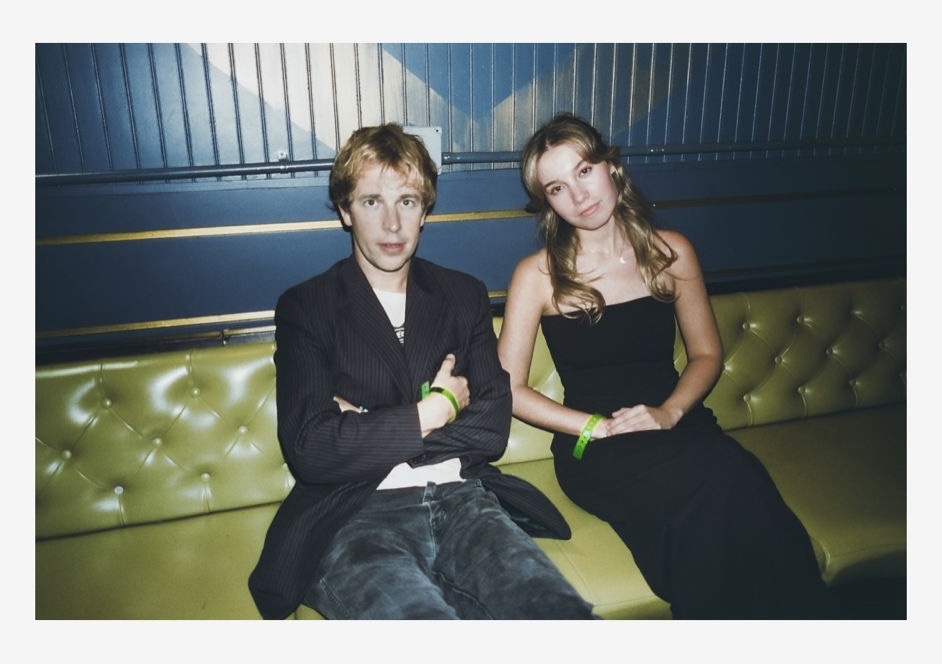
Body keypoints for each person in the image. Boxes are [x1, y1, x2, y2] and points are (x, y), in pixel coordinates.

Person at [497, 112, 839, 619]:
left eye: (584, 171)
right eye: (557, 188)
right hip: (597, 447)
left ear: (611, 167)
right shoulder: (539, 275)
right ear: (547, 203)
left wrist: (670, 412)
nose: (579, 195)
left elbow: (706, 354)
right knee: (714, 487)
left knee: (739, 477)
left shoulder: (671, 252)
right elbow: (508, 389)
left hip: (678, 423)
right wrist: (596, 427)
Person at [248, 122, 594, 620]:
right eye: (372, 202)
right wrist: (434, 412)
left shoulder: (462, 294)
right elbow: (311, 449)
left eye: (407, 201)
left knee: (558, 615)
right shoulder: (307, 306)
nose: (392, 224)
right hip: (354, 512)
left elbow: (491, 428)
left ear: (425, 210)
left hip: (464, 500)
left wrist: (364, 426)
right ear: (345, 210)